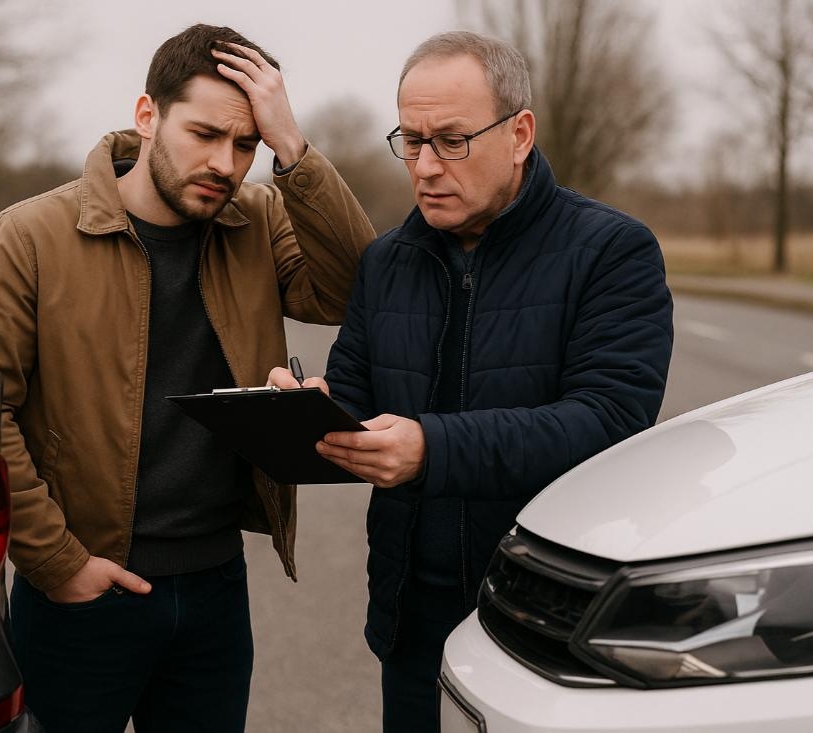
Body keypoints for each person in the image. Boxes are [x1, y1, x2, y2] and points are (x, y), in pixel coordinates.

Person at [0, 23, 374, 733]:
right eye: (205, 133)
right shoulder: (31, 236)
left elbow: (355, 288)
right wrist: (58, 562)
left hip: (216, 586)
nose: (225, 162)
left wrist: (295, 153)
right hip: (79, 593)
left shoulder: (258, 217)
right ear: (147, 116)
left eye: (246, 144)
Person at [267, 31, 673, 732]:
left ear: (519, 135)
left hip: (550, 624)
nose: (424, 166)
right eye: (411, 140)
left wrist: (430, 447)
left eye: (451, 140)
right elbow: (359, 401)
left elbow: (609, 422)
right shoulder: (386, 262)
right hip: (411, 622)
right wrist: (315, 415)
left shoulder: (612, 251)